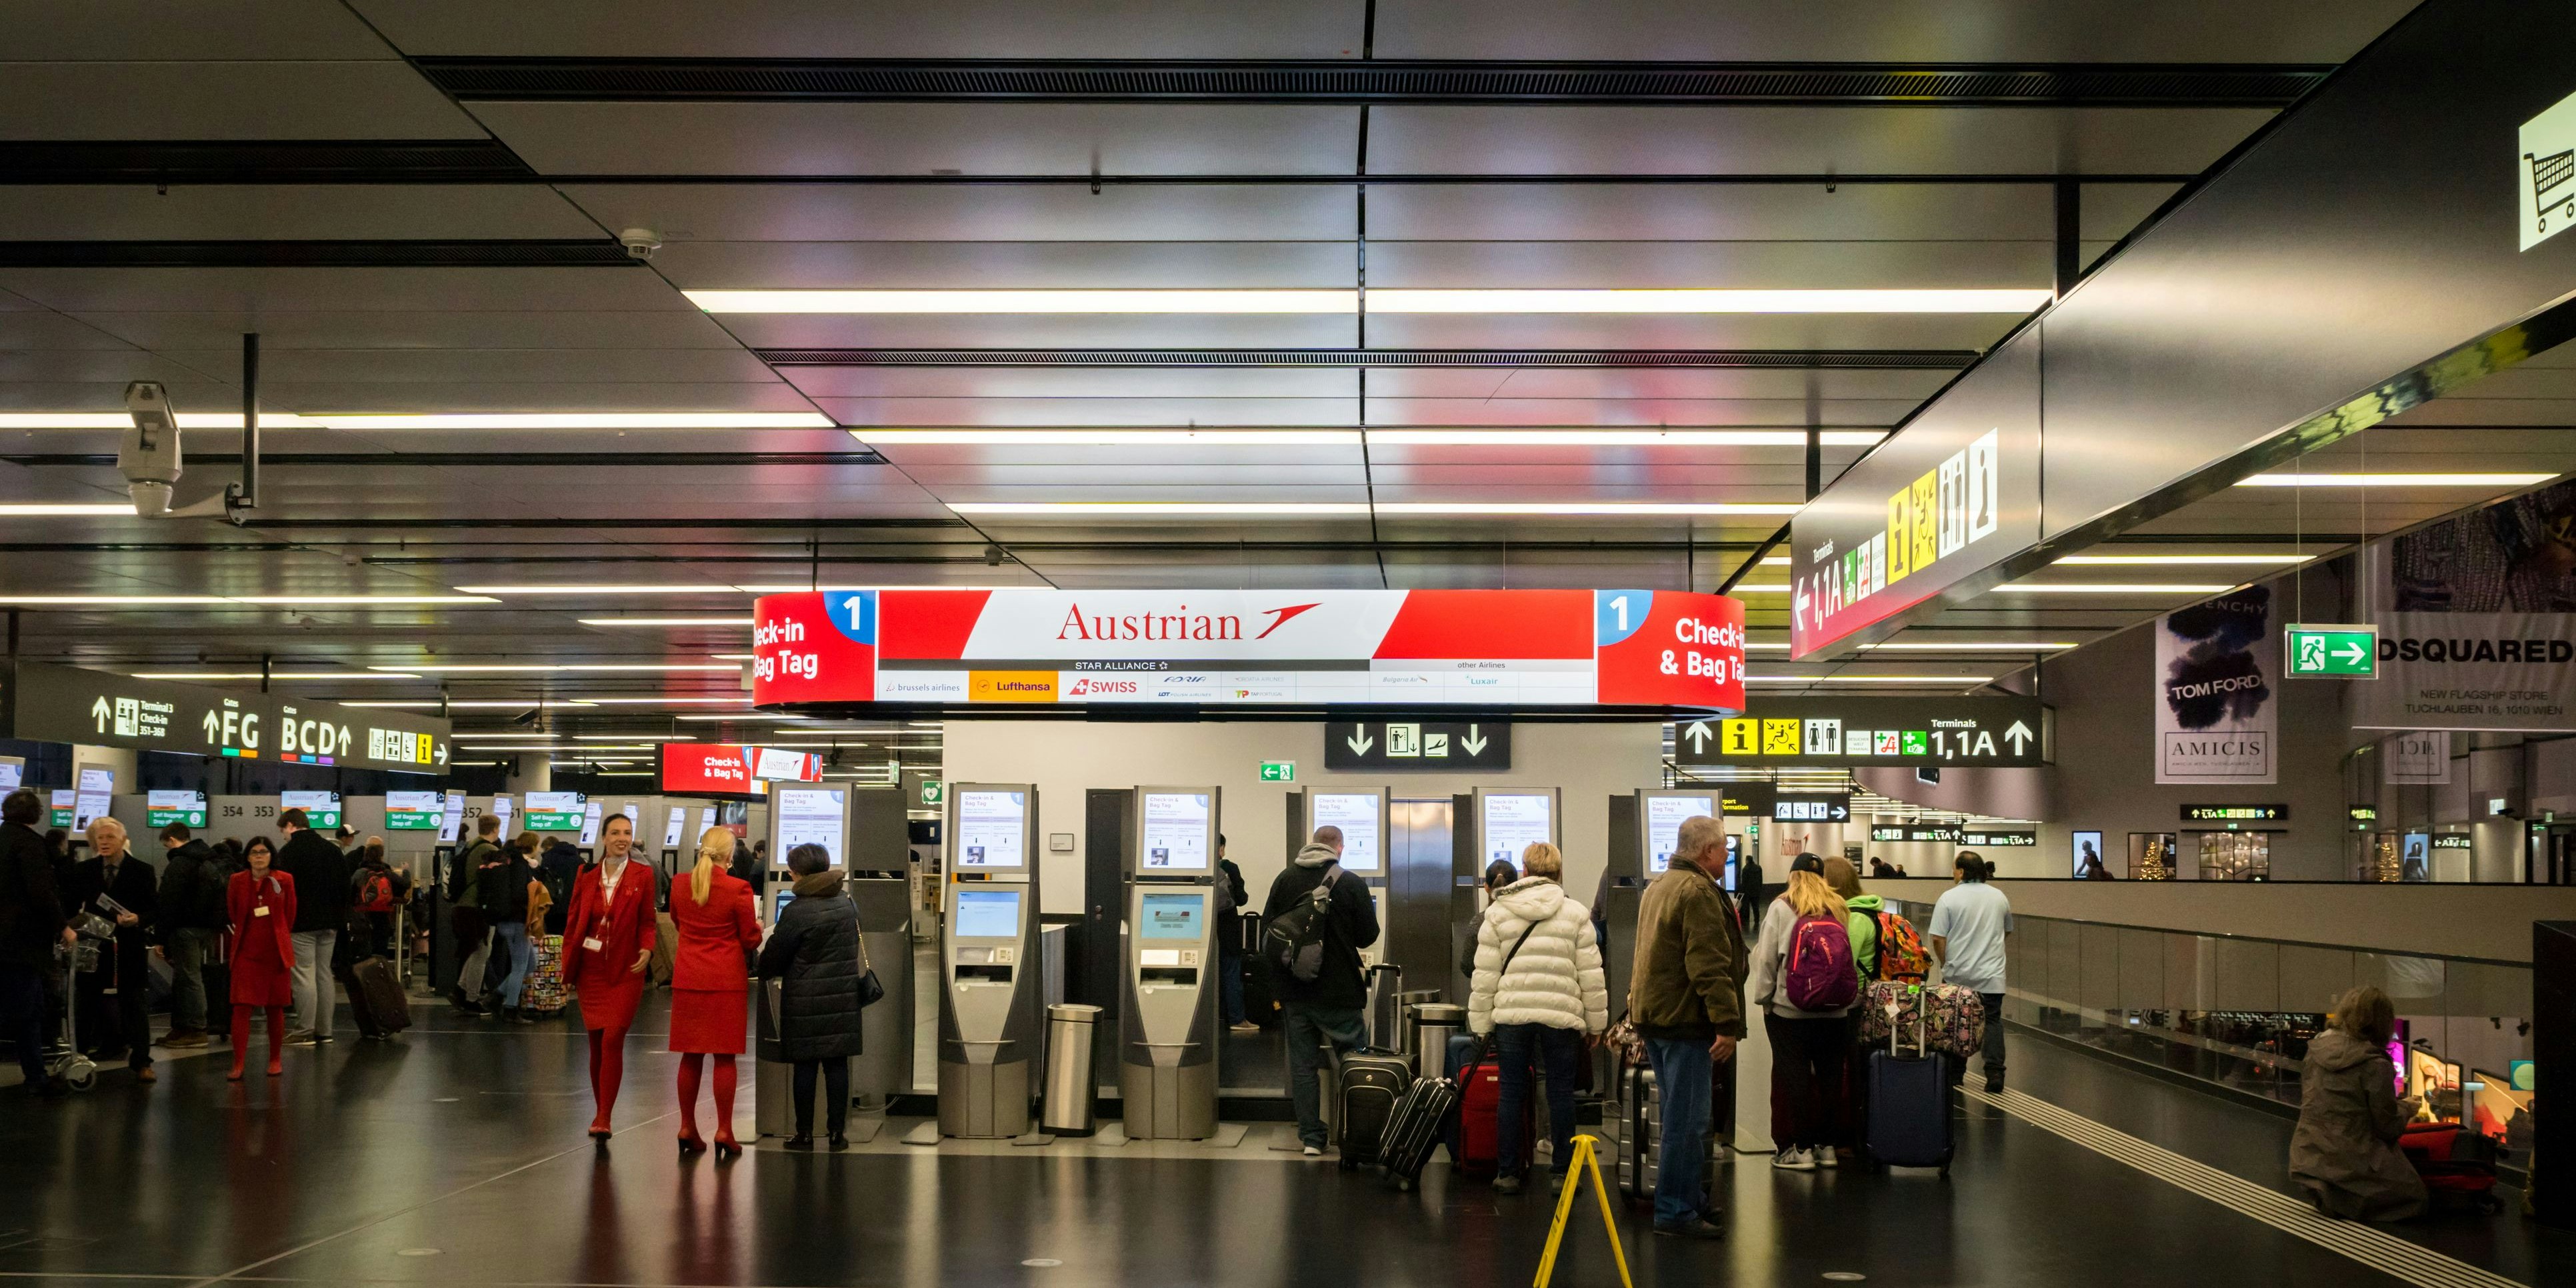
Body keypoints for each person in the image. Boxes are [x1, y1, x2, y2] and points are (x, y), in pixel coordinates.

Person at [1627, 815, 1746, 1239]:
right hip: (1685, 1021)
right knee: (1688, 1121)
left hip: (1657, 1018)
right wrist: (1726, 1023)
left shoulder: (1659, 886)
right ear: (1706, 851)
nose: (1727, 855)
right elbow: (1709, 965)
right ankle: (1676, 1211)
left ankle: (1688, 1199)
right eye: (1724, 849)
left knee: (1683, 1117)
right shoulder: (1697, 891)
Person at [1467, 841, 1609, 1195]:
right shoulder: (1576, 913)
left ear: (1526, 872)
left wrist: (1482, 1025)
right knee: (1561, 1092)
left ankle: (1508, 1173)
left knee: (1511, 1092)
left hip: (1513, 1016)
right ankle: (1562, 1173)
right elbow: (1591, 974)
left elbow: (1485, 976)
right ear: (1559, 874)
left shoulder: (1498, 914)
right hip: (1561, 1016)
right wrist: (1596, 1024)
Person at [1262, 824, 1381, 1157]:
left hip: (1296, 990)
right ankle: (1356, 1134)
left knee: (1303, 1066)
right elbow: (1368, 936)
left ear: (1311, 845)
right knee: (1354, 1062)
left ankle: (1312, 1139)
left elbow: (1270, 930)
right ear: (1339, 848)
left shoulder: (1284, 879)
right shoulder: (1352, 883)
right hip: (1340, 992)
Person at [1745, 854, 1857, 1171]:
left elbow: (1767, 959)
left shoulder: (1782, 907)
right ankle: (1828, 1147)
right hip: (1836, 1011)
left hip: (1790, 1010)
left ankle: (1801, 1149)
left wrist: (1765, 999)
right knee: (1831, 1077)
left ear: (1793, 876)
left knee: (1793, 1077)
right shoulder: (1838, 907)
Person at [756, 842, 866, 1150]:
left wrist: (760, 965)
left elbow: (775, 956)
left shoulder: (797, 909)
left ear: (796, 873)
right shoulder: (847, 903)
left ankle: (804, 1134)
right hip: (843, 997)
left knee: (805, 1067)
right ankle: (836, 1134)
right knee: (836, 1066)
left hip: (804, 998)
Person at [2289, 985, 2427, 1221]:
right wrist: (2407, 1108)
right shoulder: (2376, 1064)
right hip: (2350, 1157)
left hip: (2307, 1152)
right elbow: (2387, 1127)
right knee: (2417, 1197)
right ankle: (2348, 1199)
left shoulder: (2315, 1049)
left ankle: (2330, 1192)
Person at [563, 812, 657, 1142]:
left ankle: (604, 1116)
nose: (622, 838)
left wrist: (647, 949)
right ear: (603, 838)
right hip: (591, 970)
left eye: (628, 833)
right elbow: (574, 922)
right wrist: (567, 968)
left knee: (613, 1038)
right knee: (596, 1043)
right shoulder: (586, 875)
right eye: (616, 832)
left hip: (625, 970)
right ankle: (599, 1107)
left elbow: (647, 920)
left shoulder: (643, 875)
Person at [669, 825, 761, 1158]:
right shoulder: (739, 888)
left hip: (688, 978)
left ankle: (686, 1126)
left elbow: (679, 923)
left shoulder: (681, 884)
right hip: (725, 981)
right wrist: (759, 930)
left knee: (689, 1055)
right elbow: (750, 939)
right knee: (725, 1057)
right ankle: (724, 1129)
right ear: (730, 855)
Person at [65, 817, 159, 1082]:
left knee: (135, 1004)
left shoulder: (142, 870)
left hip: (129, 946)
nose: (104, 843)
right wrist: (69, 929)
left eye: (109, 838)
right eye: (99, 838)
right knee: (86, 1003)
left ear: (122, 840)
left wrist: (138, 919)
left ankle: (142, 1061)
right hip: (93, 946)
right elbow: (70, 907)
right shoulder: (84, 870)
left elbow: (154, 908)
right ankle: (79, 1058)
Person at [0, 789, 74, 1097]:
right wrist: (63, 927)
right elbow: (41, 893)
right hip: (21, 944)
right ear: (37, 814)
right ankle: (36, 1077)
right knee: (28, 1012)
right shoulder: (31, 844)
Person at [1926, 851, 2013, 1093]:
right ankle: (1995, 1073)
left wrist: (1947, 963)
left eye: (1955, 869)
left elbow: (1938, 938)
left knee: (1956, 1022)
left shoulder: (1948, 898)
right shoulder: (1999, 897)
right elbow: (2006, 931)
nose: (1953, 873)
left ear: (1962, 871)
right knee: (1993, 1021)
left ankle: (1955, 1075)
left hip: (1958, 975)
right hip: (1992, 976)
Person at [273, 806, 349, 1045]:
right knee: (324, 974)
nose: (283, 836)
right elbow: (345, 887)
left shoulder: (288, 852)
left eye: (283, 831)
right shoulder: (332, 850)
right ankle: (324, 1031)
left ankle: (304, 1030)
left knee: (304, 975)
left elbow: (280, 890)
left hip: (301, 923)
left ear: (290, 826)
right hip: (331, 922)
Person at [225, 837, 296, 1079]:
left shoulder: (284, 879)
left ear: (271, 855)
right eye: (254, 852)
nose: (258, 856)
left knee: (275, 1007)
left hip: (275, 953)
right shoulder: (237, 881)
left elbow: (290, 914)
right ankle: (238, 1064)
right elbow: (233, 912)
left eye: (264, 852)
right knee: (241, 1007)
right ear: (247, 856)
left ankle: (275, 1059)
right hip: (246, 952)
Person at [153, 822, 227, 1047]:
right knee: (187, 977)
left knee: (189, 977)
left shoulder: (180, 863)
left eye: (167, 845)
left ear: (172, 840)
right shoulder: (209, 860)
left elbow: (168, 902)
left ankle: (196, 1028)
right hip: (207, 928)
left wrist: (160, 937)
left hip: (184, 929)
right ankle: (183, 1027)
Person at [481, 832, 541, 1023]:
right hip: (516, 921)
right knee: (519, 967)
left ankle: (497, 996)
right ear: (533, 846)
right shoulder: (520, 866)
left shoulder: (507, 861)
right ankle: (510, 1009)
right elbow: (518, 894)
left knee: (531, 964)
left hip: (506, 921)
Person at [447, 814, 505, 1014]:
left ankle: (460, 991)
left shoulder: (471, 846)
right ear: (496, 829)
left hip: (463, 905)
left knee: (474, 950)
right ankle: (471, 999)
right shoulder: (490, 850)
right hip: (477, 907)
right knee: (482, 953)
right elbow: (497, 881)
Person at [1213, 833, 1253, 1032]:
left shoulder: (1195, 869)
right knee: (1231, 974)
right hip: (1228, 929)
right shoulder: (1230, 868)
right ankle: (1237, 1020)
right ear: (1221, 848)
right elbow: (1242, 899)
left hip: (1203, 930)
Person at [1461, 857, 1519, 980]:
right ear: (1517, 886)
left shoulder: (1479, 922)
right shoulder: (1527, 918)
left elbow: (1467, 966)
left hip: (1489, 990)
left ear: (1486, 887)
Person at [351, 839, 399, 959]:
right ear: (381, 856)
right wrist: (407, 871)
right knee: (381, 948)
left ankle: (364, 974)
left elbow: (349, 891)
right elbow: (405, 883)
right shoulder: (386, 871)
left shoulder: (360, 872)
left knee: (364, 948)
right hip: (383, 915)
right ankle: (381, 973)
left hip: (363, 916)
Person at [1737, 849, 1767, 934]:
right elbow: (1761, 879)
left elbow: (1744, 881)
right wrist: (1760, 888)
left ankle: (1746, 921)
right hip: (1756, 891)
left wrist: (1742, 891)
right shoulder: (1758, 868)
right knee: (1756, 907)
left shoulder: (1745, 869)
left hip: (1747, 892)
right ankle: (1757, 920)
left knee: (1746, 907)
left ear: (1747, 860)